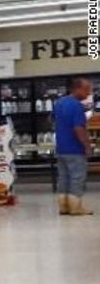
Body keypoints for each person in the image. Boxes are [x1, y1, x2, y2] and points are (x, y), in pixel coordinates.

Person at [53, 77, 93, 216]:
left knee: (63, 177)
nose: (88, 93)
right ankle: (76, 207)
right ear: (77, 89)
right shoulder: (76, 105)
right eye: (86, 90)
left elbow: (51, 120)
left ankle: (64, 207)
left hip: (61, 148)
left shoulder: (59, 103)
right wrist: (87, 146)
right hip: (75, 149)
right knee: (77, 178)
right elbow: (79, 129)